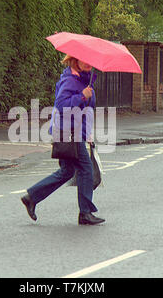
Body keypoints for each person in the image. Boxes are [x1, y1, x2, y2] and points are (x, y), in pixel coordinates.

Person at [21, 55, 105, 225]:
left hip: (74, 132)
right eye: (84, 60)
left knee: (67, 171)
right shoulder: (70, 80)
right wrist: (82, 96)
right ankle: (85, 213)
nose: (88, 62)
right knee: (86, 168)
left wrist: (88, 96)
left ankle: (32, 197)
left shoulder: (83, 81)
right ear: (75, 61)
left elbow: (87, 108)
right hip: (68, 133)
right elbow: (61, 105)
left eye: (90, 60)